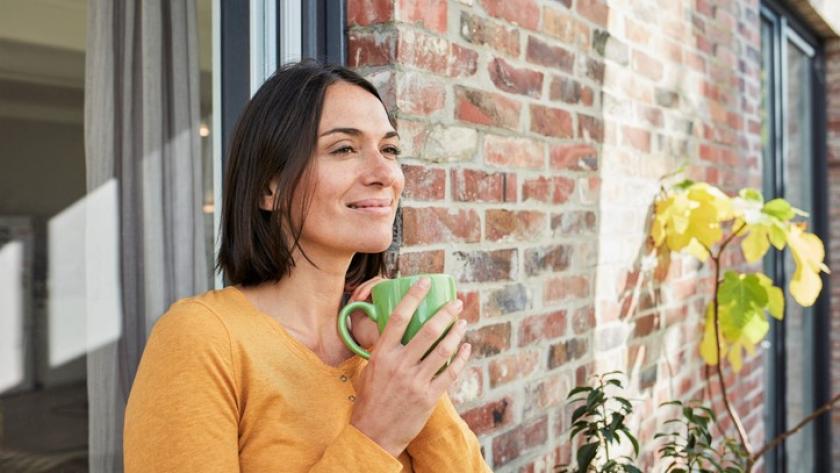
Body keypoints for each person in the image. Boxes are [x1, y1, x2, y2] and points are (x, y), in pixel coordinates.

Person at [123, 61, 492, 472]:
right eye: (344, 149)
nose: (386, 173)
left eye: (389, 149)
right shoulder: (203, 339)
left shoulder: (374, 344)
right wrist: (376, 436)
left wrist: (416, 377)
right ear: (269, 187)